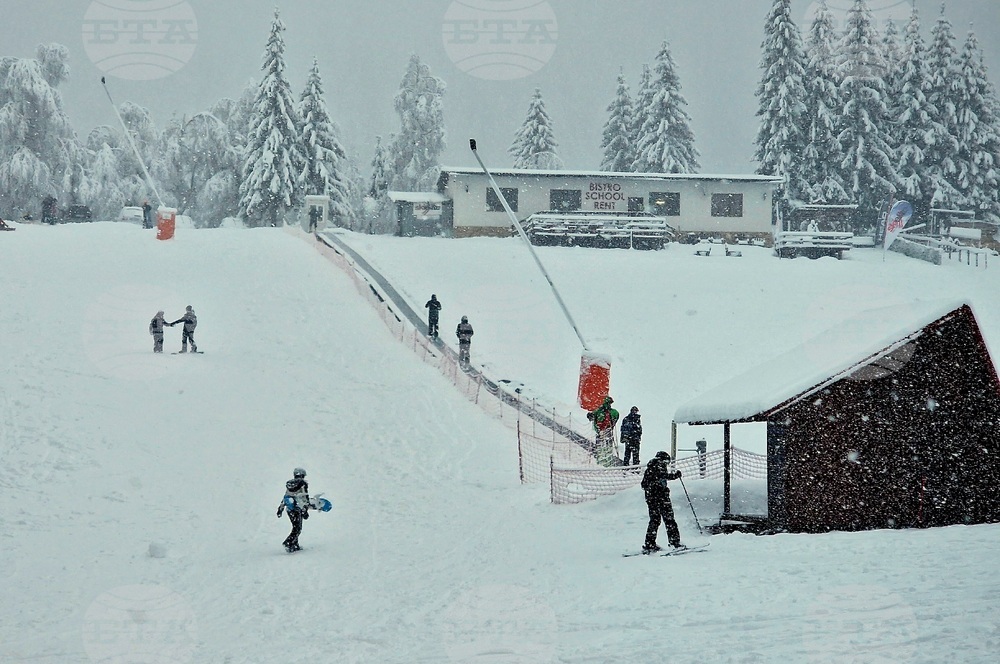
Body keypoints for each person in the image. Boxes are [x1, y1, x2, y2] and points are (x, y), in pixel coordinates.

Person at [641, 451, 683, 553]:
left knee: (655, 520)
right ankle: (674, 542)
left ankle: (649, 543)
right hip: (661, 498)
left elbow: (644, 484)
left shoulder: (650, 468)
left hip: (651, 498)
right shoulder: (658, 465)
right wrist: (675, 475)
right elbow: (663, 475)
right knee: (669, 520)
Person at [276, 467, 310, 552]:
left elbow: (285, 496)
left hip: (290, 509)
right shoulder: (303, 483)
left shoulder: (290, 484)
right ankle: (288, 543)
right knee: (298, 528)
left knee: (295, 527)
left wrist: (280, 508)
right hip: (298, 508)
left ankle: (295, 545)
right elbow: (305, 497)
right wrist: (305, 510)